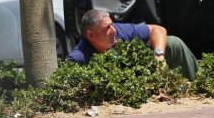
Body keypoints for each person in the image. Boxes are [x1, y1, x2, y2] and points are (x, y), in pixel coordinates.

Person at [67, 9, 199, 81]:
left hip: (142, 76)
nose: (113, 30)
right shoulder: (79, 58)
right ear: (91, 35)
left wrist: (159, 55)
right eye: (107, 28)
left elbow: (158, 29)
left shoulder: (119, 31)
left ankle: (196, 82)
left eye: (112, 24)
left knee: (173, 43)